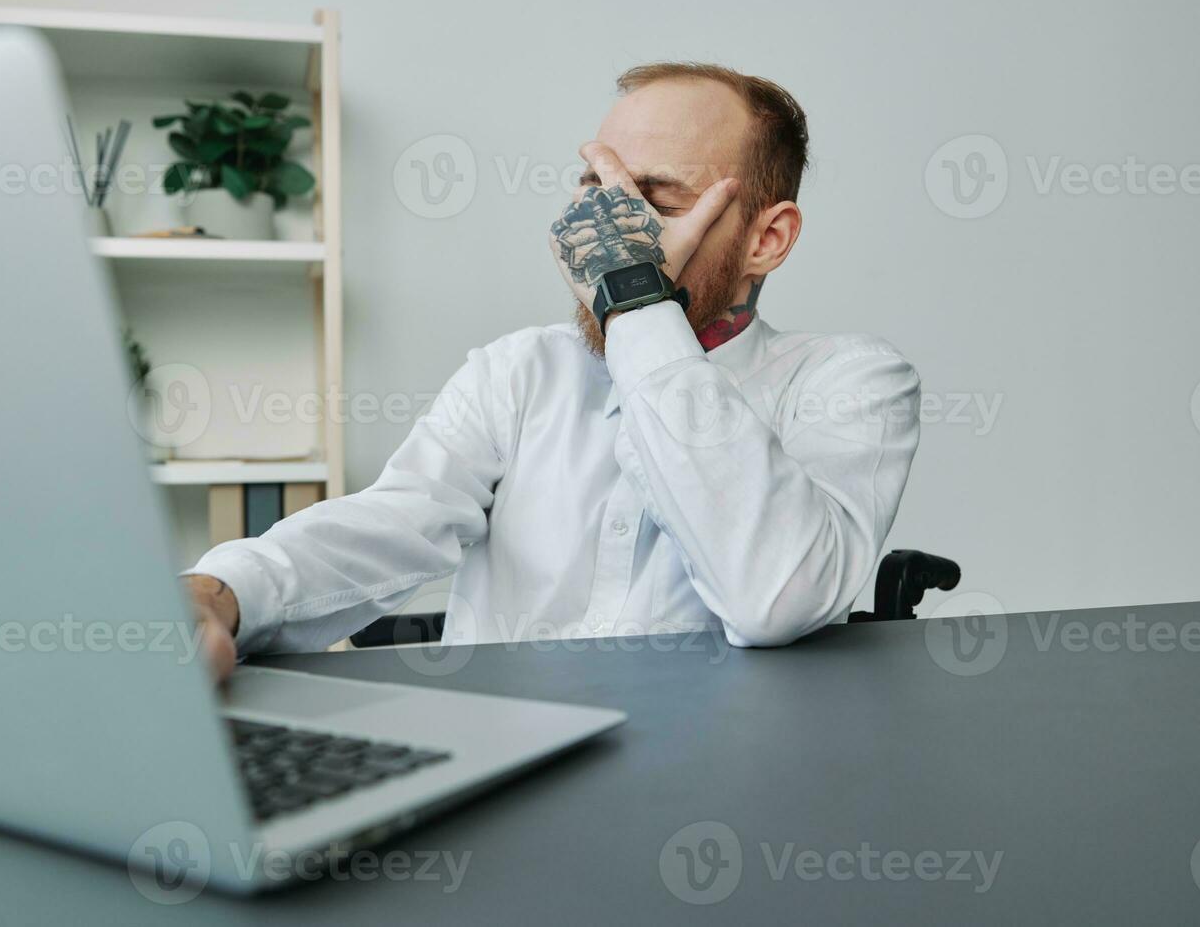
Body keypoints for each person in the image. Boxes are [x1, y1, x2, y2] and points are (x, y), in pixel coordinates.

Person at [186, 62, 921, 680]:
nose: (601, 233)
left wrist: (634, 300)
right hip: (497, 772)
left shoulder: (852, 383)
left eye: (652, 203)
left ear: (767, 238)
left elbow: (774, 595)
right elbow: (393, 521)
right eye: (595, 192)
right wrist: (224, 592)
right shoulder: (519, 370)